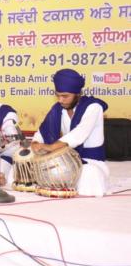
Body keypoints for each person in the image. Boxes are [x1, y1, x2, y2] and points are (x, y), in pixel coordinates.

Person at [30, 68, 109, 197]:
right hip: (67, 161)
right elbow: (43, 131)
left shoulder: (93, 107)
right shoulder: (57, 109)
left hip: (92, 162)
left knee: (87, 174)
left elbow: (79, 134)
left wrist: (51, 147)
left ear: (77, 94)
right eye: (58, 95)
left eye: (65, 96)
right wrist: (35, 143)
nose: (60, 100)